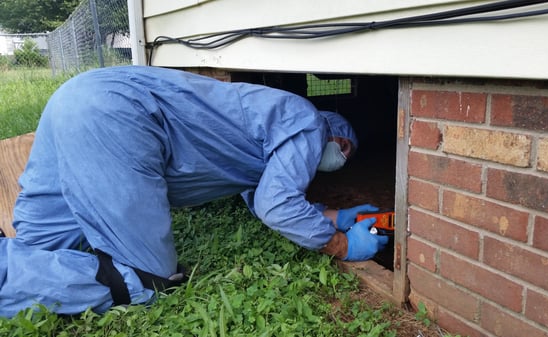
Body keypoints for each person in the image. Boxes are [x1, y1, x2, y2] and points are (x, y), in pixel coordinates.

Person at [0, 66, 388, 318]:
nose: (341, 158)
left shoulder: (273, 122)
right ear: (338, 138)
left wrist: (330, 214)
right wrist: (339, 243)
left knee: (39, 245)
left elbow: (260, 193)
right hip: (119, 118)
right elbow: (276, 204)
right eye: (345, 150)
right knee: (146, 279)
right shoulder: (308, 124)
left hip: (77, 96)